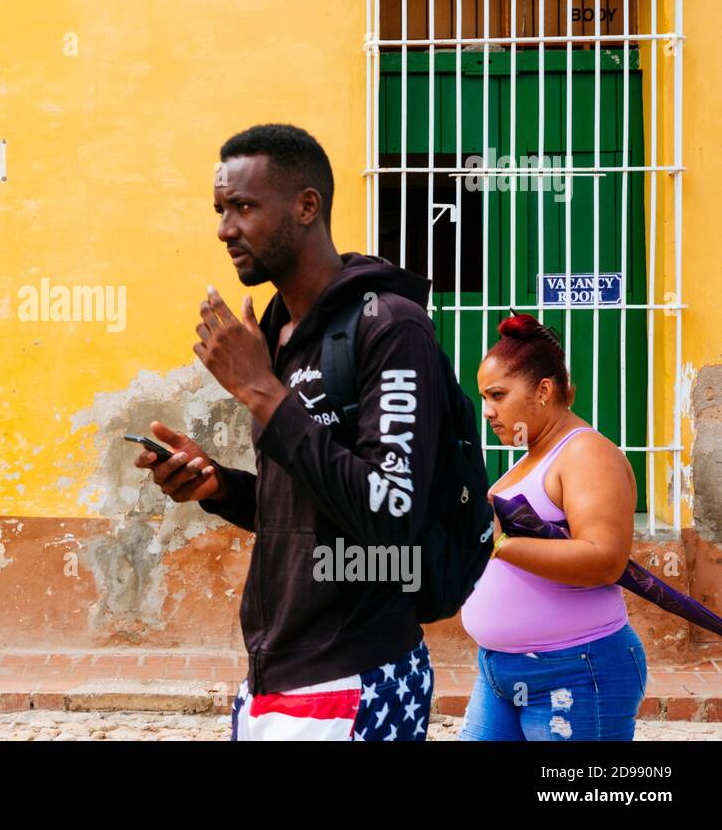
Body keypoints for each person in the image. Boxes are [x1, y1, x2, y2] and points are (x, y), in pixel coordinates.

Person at [133, 123, 453, 740]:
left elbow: (390, 514)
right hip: (271, 674)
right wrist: (219, 487)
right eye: (221, 210)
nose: (226, 229)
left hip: (352, 675)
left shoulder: (390, 328)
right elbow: (313, 508)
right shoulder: (277, 332)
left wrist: (261, 391)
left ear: (307, 206)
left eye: (245, 207)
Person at [459, 313, 646, 741]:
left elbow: (604, 559)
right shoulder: (532, 457)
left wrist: (498, 542)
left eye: (497, 395)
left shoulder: (586, 454)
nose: (487, 411)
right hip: (500, 670)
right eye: (484, 398)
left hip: (575, 672)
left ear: (543, 390)